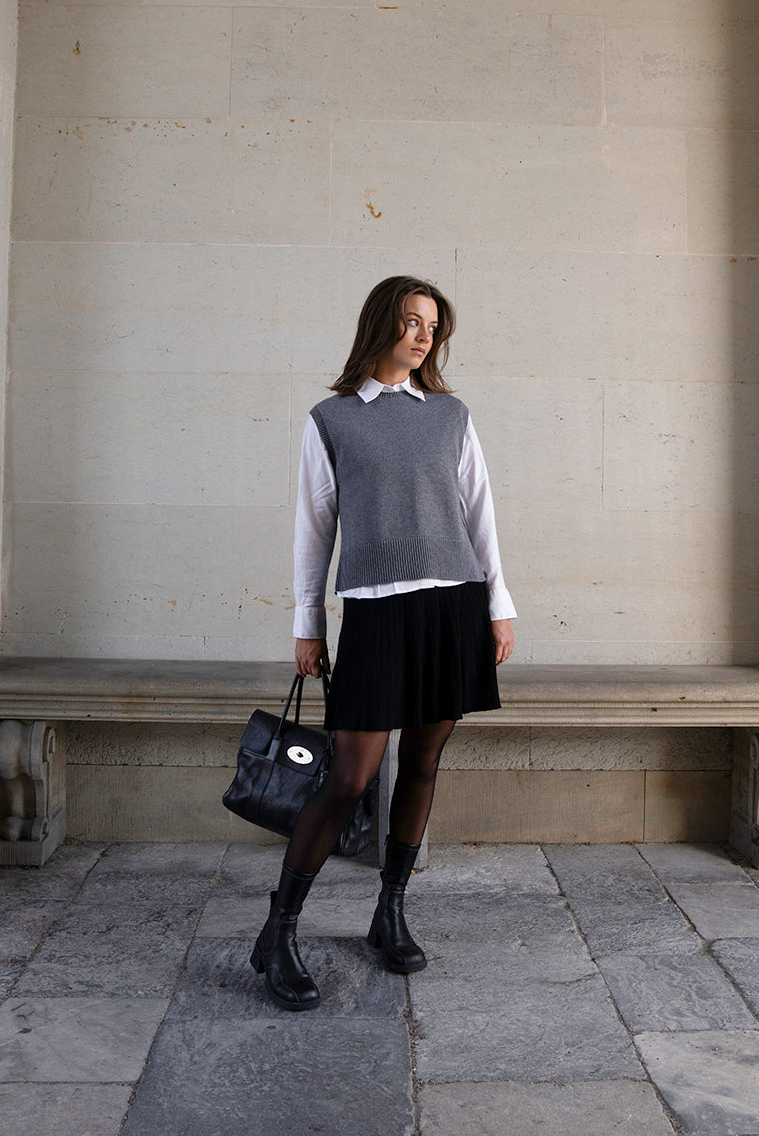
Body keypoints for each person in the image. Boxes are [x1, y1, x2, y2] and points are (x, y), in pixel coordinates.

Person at [250, 275, 516, 1011]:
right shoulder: (332, 419)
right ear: (381, 327)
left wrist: (498, 606)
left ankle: (388, 913)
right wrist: (308, 624)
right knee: (349, 778)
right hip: (373, 610)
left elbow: (478, 514)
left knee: (425, 762)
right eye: (410, 321)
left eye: (432, 325)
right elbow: (314, 526)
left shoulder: (449, 415)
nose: (423, 335)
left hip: (453, 605)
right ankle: (279, 931)